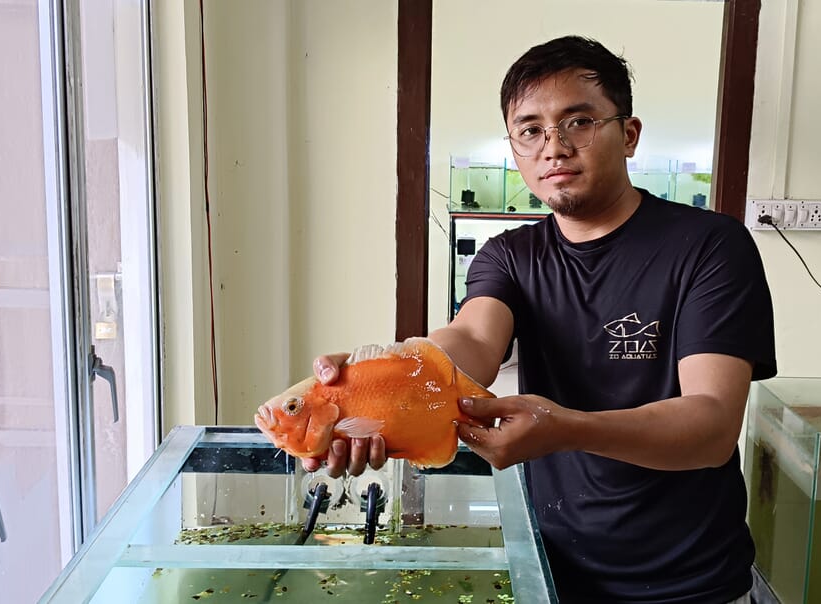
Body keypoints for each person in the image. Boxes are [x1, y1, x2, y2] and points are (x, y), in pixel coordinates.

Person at [304, 35, 776, 604]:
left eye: (578, 122)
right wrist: (379, 376)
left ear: (628, 135)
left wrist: (567, 428)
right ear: (515, 148)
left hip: (694, 585)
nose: (554, 147)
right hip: (552, 577)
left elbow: (711, 427)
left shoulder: (709, 247)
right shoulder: (510, 256)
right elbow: (473, 338)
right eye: (530, 130)